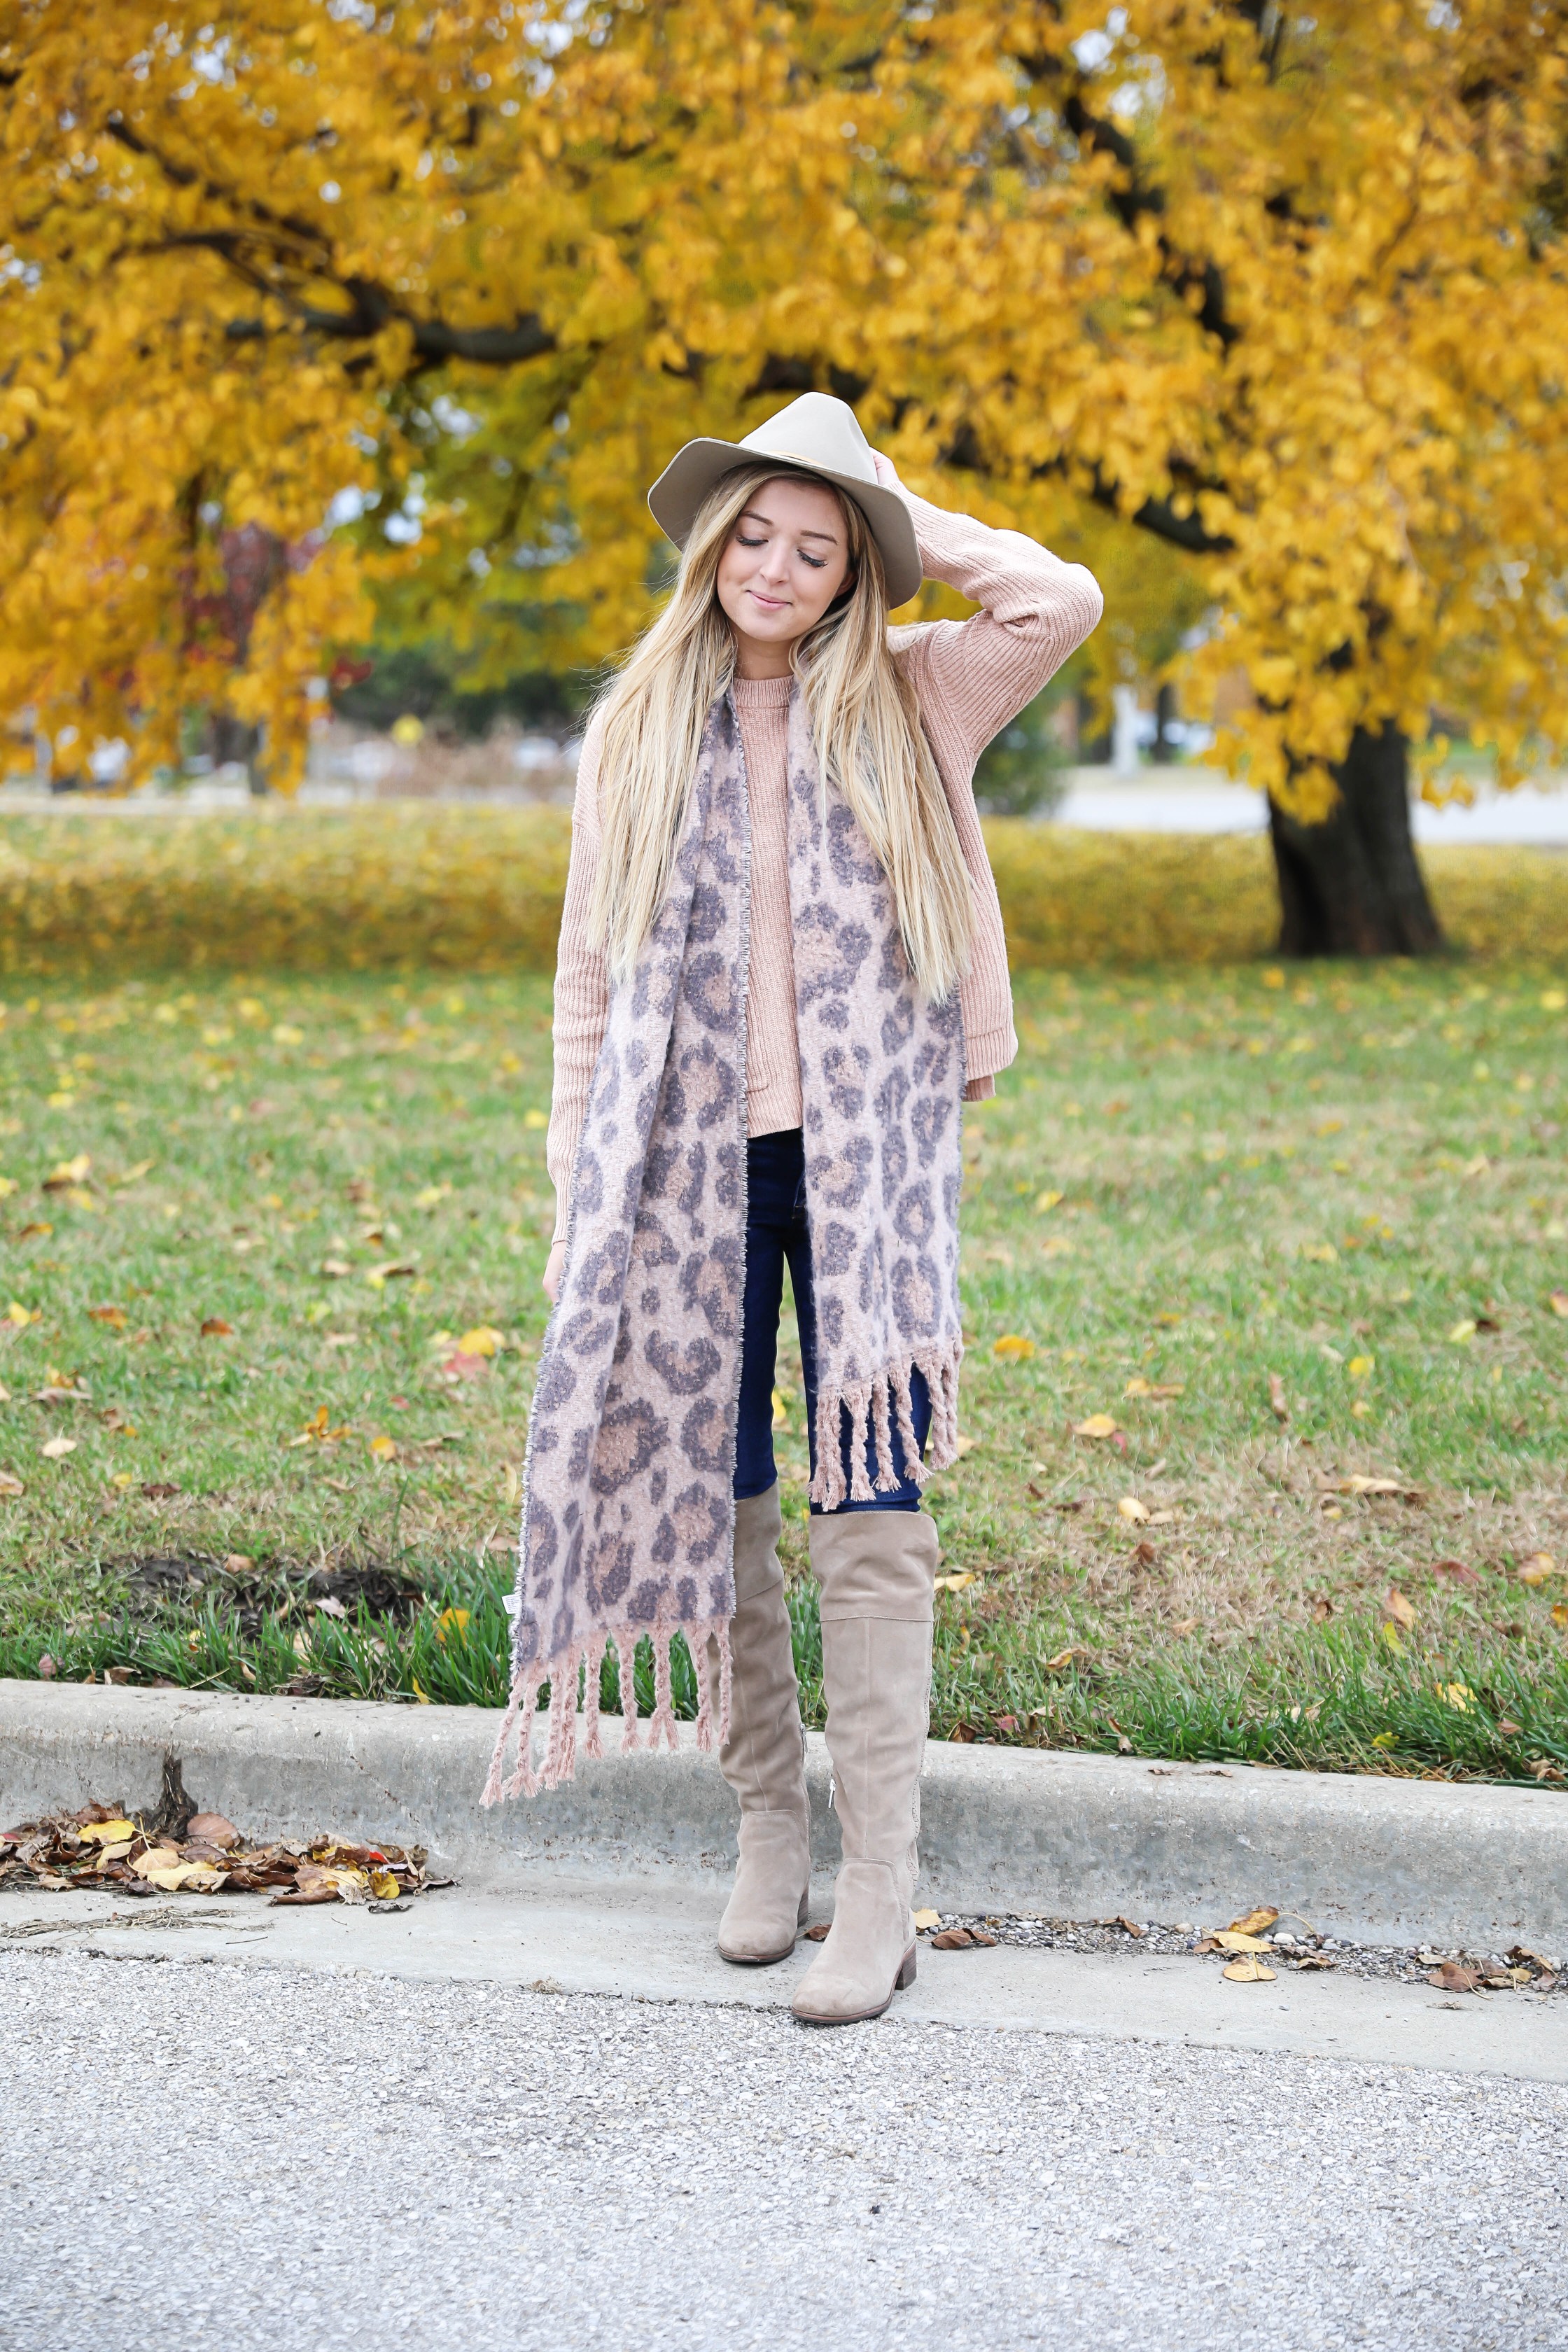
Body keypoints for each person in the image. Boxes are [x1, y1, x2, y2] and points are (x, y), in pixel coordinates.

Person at [486, 393, 1101, 2026]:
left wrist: (892, 504)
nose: (774, 563)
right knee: (719, 1480)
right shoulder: (637, 728)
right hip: (681, 1157)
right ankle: (771, 1824)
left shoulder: (916, 697)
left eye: (816, 546)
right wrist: (573, 1163)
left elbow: (1062, 600)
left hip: (867, 1162)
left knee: (870, 1485)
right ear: (710, 550)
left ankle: (881, 1885)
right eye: (754, 532)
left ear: (853, 577)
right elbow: (587, 970)